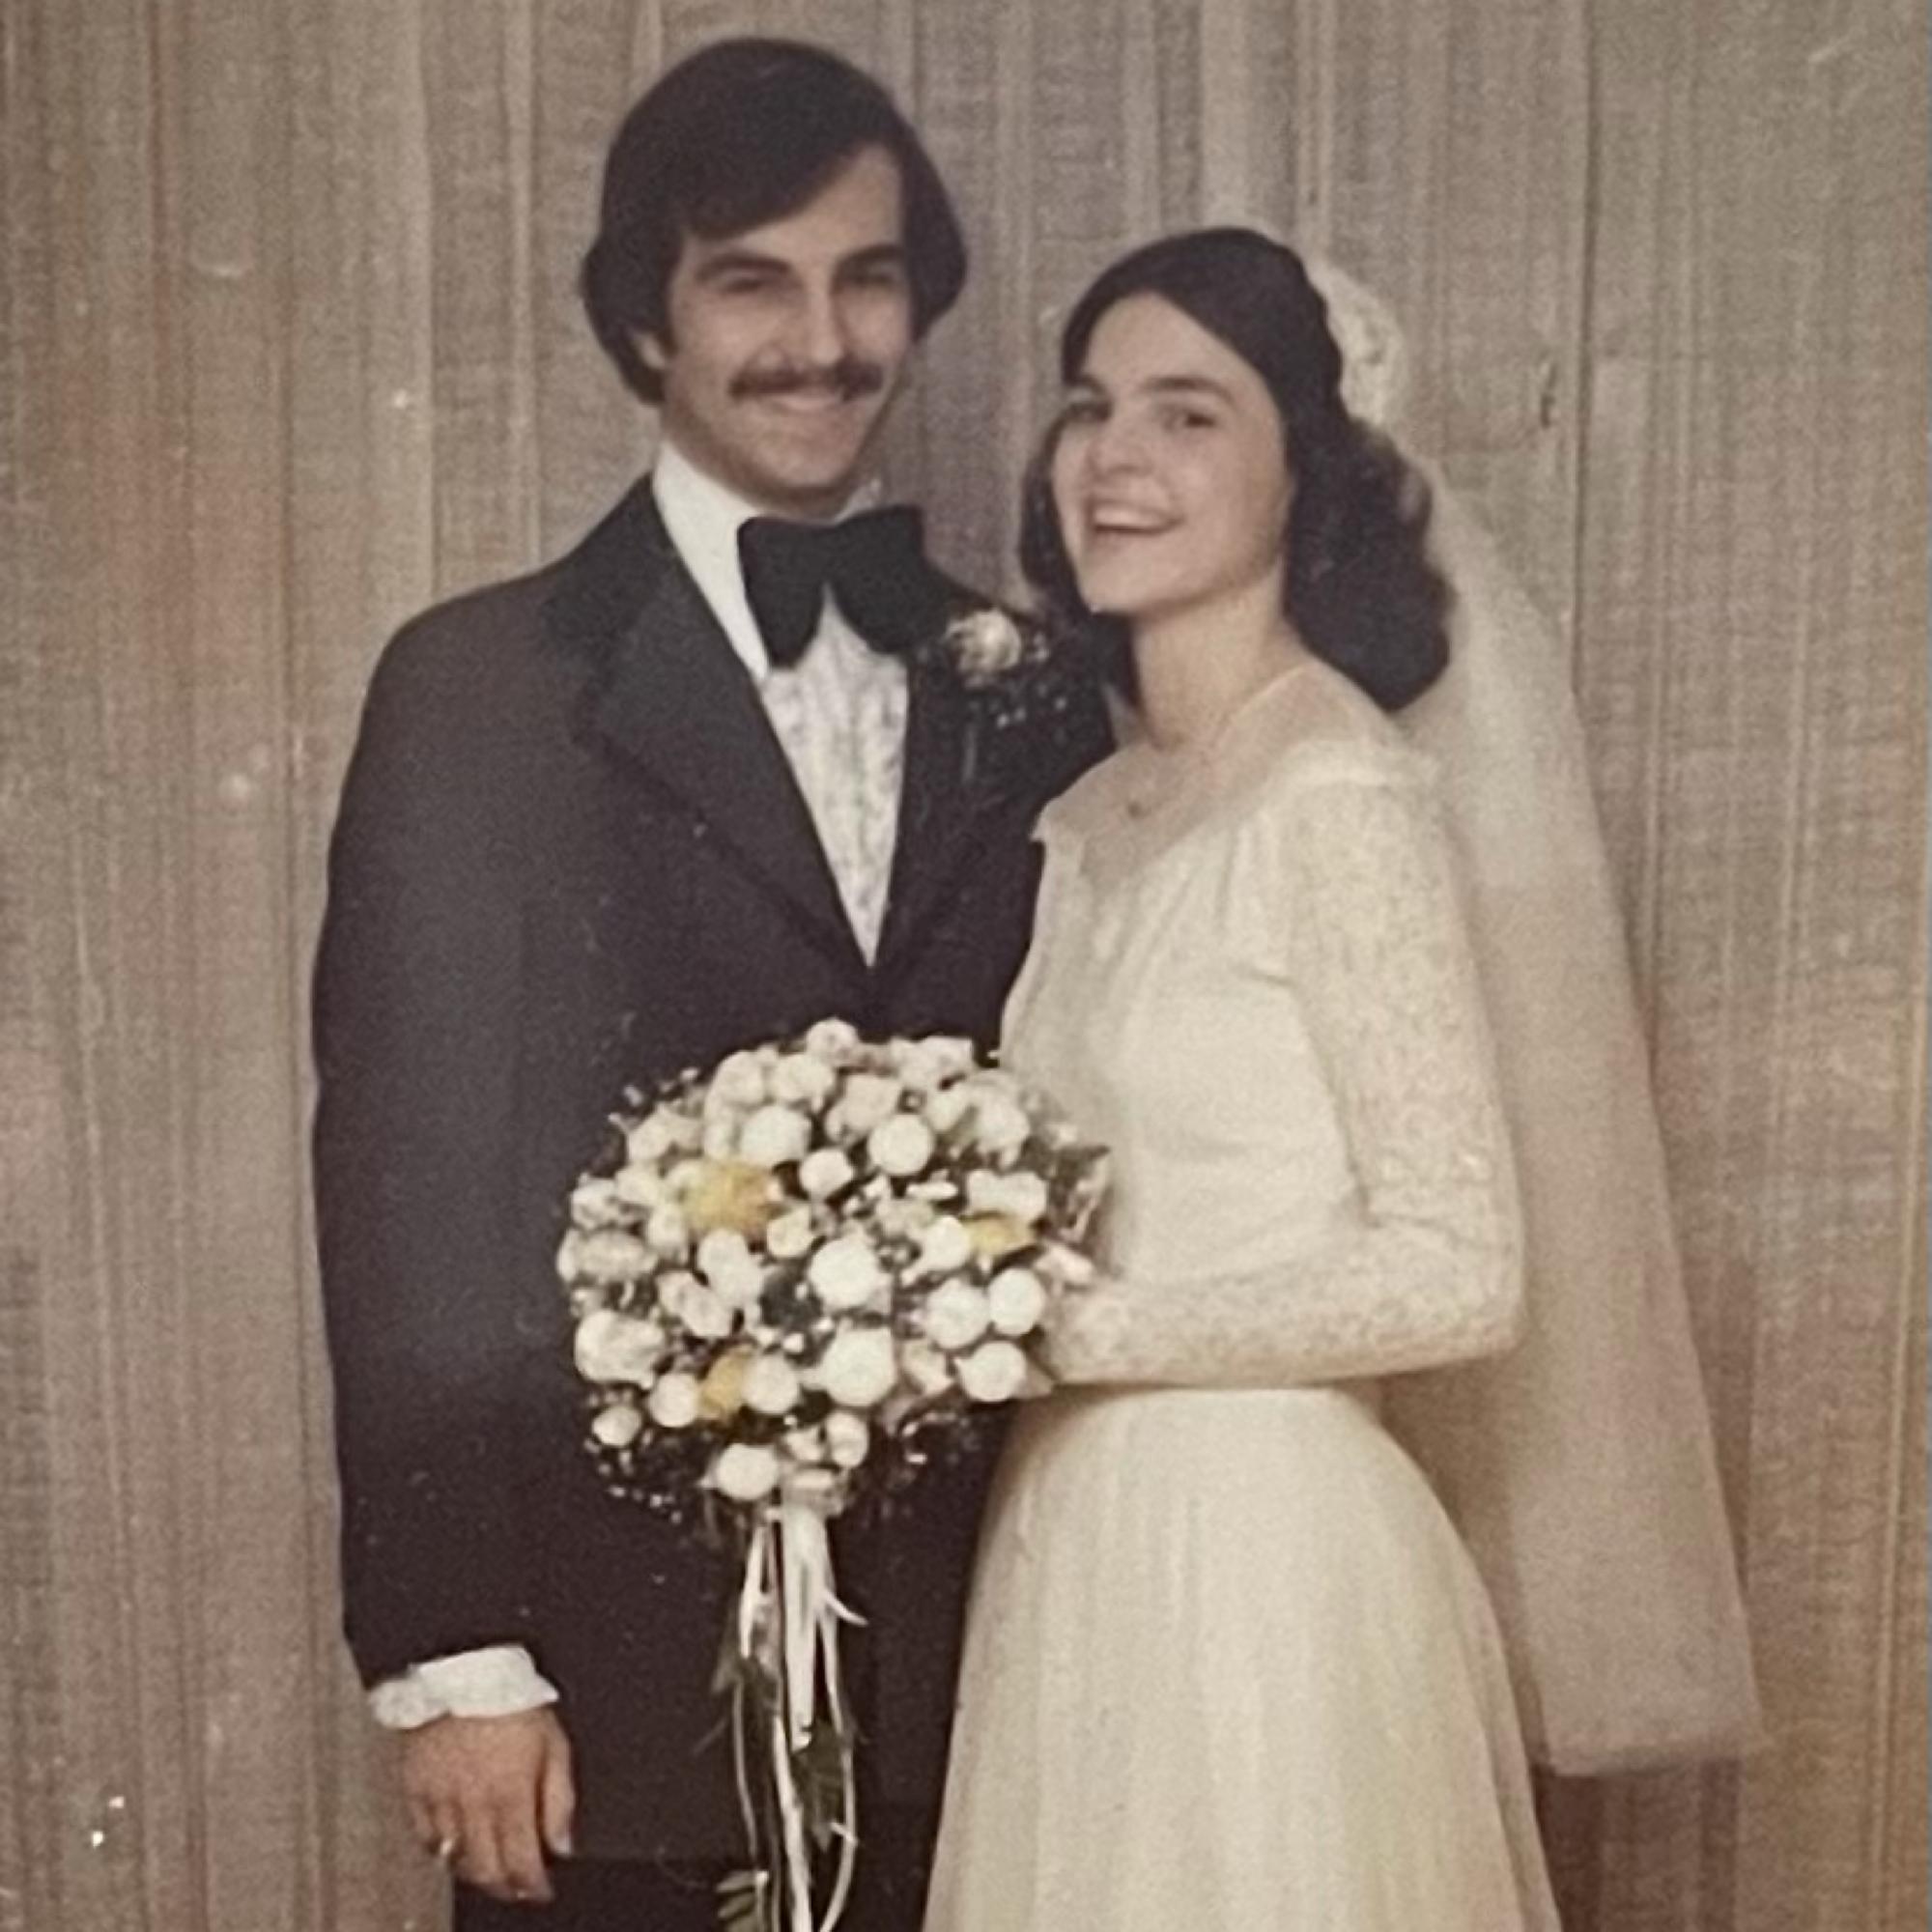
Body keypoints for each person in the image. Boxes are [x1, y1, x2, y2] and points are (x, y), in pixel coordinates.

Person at [310, 39, 1108, 1932]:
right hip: (606, 1693)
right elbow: (411, 1198)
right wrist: (454, 1655)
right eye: (750, 280)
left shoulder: (1032, 685)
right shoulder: (480, 686)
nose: (819, 342)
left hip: (989, 1674)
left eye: (867, 276)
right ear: (645, 324)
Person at [924, 228, 1756, 1929]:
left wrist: (1065, 1330)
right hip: (1075, 1551)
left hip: (1268, 1564)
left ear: (1313, 469)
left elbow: (1463, 1265)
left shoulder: (1340, 798)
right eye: (1090, 409)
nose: (1118, 459)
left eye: (1191, 414)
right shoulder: (1092, 821)